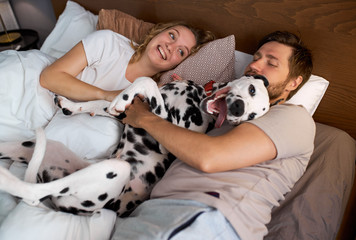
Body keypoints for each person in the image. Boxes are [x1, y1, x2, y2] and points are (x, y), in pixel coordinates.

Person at [109, 31, 315, 240]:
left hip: (208, 217)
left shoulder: (294, 118)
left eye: (271, 63)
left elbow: (209, 157)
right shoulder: (223, 115)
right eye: (256, 58)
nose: (255, 66)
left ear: (294, 82)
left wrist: (144, 117)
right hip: (150, 212)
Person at [40, 21, 215, 102]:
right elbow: (49, 77)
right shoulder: (108, 42)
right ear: (159, 32)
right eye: (172, 35)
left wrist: (174, 93)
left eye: (181, 51)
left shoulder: (150, 94)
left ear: (179, 65)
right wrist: (105, 95)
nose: (170, 46)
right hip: (36, 88)